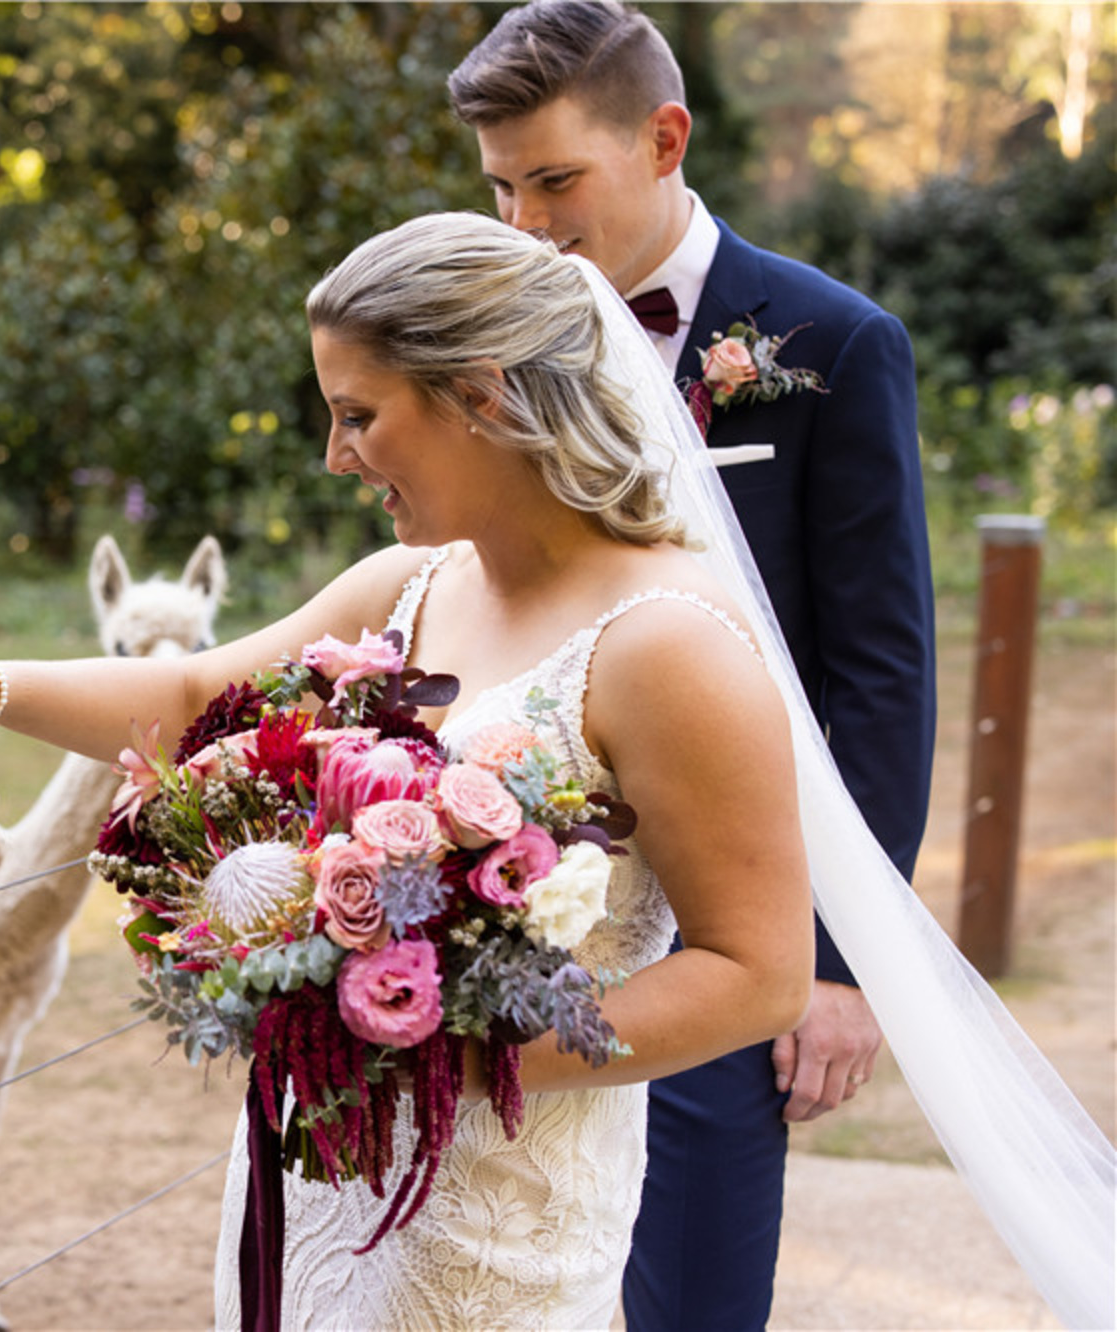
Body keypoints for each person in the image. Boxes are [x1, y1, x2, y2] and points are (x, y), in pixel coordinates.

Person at [0, 211, 816, 1328]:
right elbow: (190, 703)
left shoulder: (669, 646)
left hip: (493, 1230)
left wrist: (453, 1060)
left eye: (357, 415)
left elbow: (758, 972)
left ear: (479, 394)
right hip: (307, 1182)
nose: (333, 455)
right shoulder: (404, 588)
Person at [443, 5, 937, 1326]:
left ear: (665, 140)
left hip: (732, 915)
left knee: (696, 1299)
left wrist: (842, 970)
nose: (526, 224)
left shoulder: (831, 350)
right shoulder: (492, 353)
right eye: (500, 188)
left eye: (554, 181)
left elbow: (880, 672)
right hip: (530, 905)